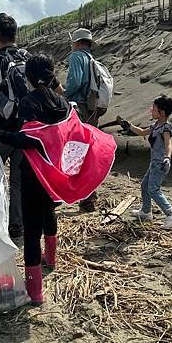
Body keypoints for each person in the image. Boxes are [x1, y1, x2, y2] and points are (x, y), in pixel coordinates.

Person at [0, 53, 116, 304]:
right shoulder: (62, 102)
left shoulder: (29, 102)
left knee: (31, 233)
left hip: (35, 172)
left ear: (28, 78)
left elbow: (31, 139)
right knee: (48, 213)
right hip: (56, 173)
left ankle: (35, 292)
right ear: (53, 74)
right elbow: (58, 135)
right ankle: (51, 259)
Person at [0, 13, 62, 239]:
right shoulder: (32, 60)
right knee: (18, 179)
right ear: (16, 34)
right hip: (28, 129)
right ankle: (16, 224)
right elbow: (57, 90)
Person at [120, 95, 172, 229]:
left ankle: (171, 214)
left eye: (153, 108)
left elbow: (168, 144)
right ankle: (146, 212)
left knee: (153, 189)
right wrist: (129, 126)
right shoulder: (156, 125)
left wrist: (167, 158)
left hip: (160, 163)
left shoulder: (165, 128)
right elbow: (142, 132)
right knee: (144, 186)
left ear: (162, 112)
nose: (151, 110)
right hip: (154, 162)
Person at [64, 28, 100, 212]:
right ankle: (90, 196)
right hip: (92, 110)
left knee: (77, 152)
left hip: (79, 109)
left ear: (77, 43)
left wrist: (62, 93)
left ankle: (82, 196)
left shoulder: (77, 57)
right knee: (90, 153)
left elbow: (75, 82)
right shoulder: (92, 59)